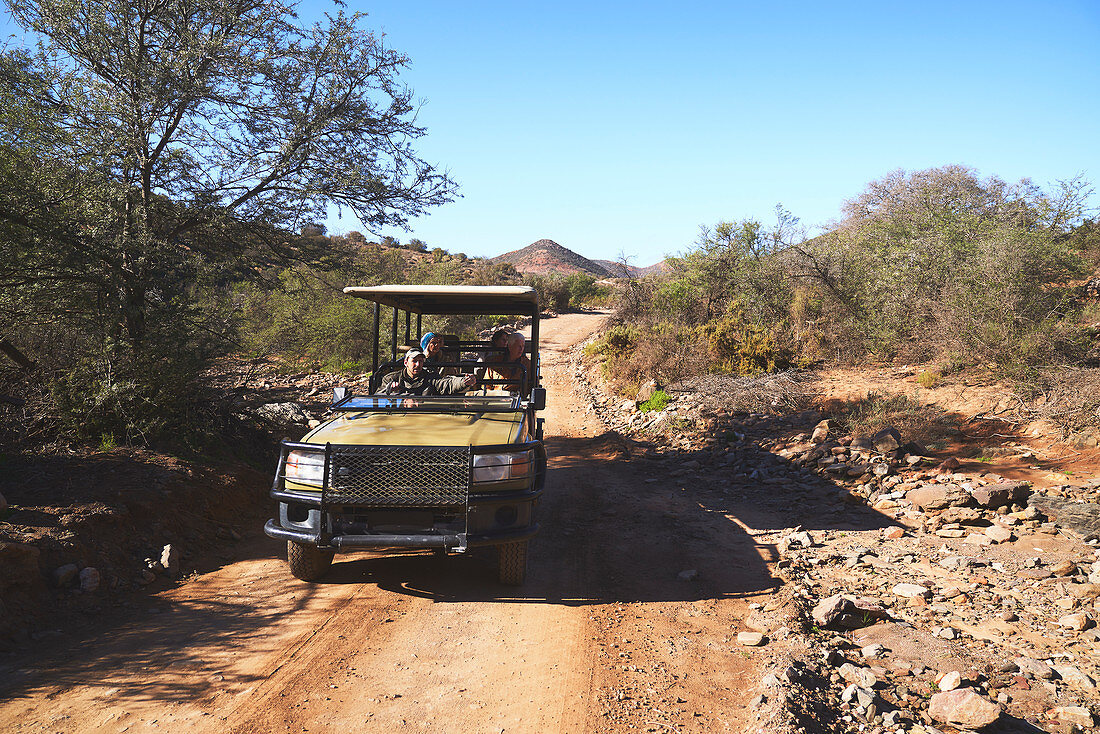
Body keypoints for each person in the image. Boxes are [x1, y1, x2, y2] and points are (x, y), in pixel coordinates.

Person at [379, 350, 476, 396]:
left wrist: (464, 382)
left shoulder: (430, 377)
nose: (418, 364)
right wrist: (389, 390)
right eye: (414, 361)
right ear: (406, 363)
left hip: (423, 414)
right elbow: (377, 398)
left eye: (421, 361)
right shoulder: (390, 379)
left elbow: (446, 384)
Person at [477, 329, 531, 393]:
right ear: (510, 346)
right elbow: (486, 385)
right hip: (495, 397)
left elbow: (528, 387)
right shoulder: (495, 361)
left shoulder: (526, 364)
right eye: (518, 346)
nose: (521, 349)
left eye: (523, 346)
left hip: (515, 399)